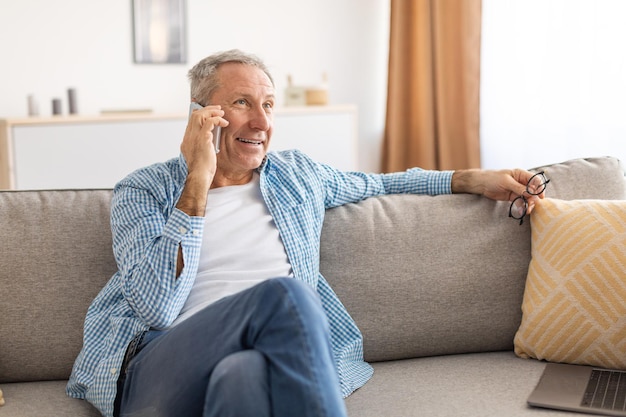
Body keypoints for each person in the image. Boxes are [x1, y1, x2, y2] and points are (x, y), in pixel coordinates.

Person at [66, 49, 544, 417]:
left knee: (243, 377)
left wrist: (471, 179)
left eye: (269, 105)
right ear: (201, 115)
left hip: (250, 363)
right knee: (287, 296)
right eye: (241, 103)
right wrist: (197, 180)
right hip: (157, 368)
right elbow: (155, 306)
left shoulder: (297, 176)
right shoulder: (144, 190)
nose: (261, 121)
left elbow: (380, 183)